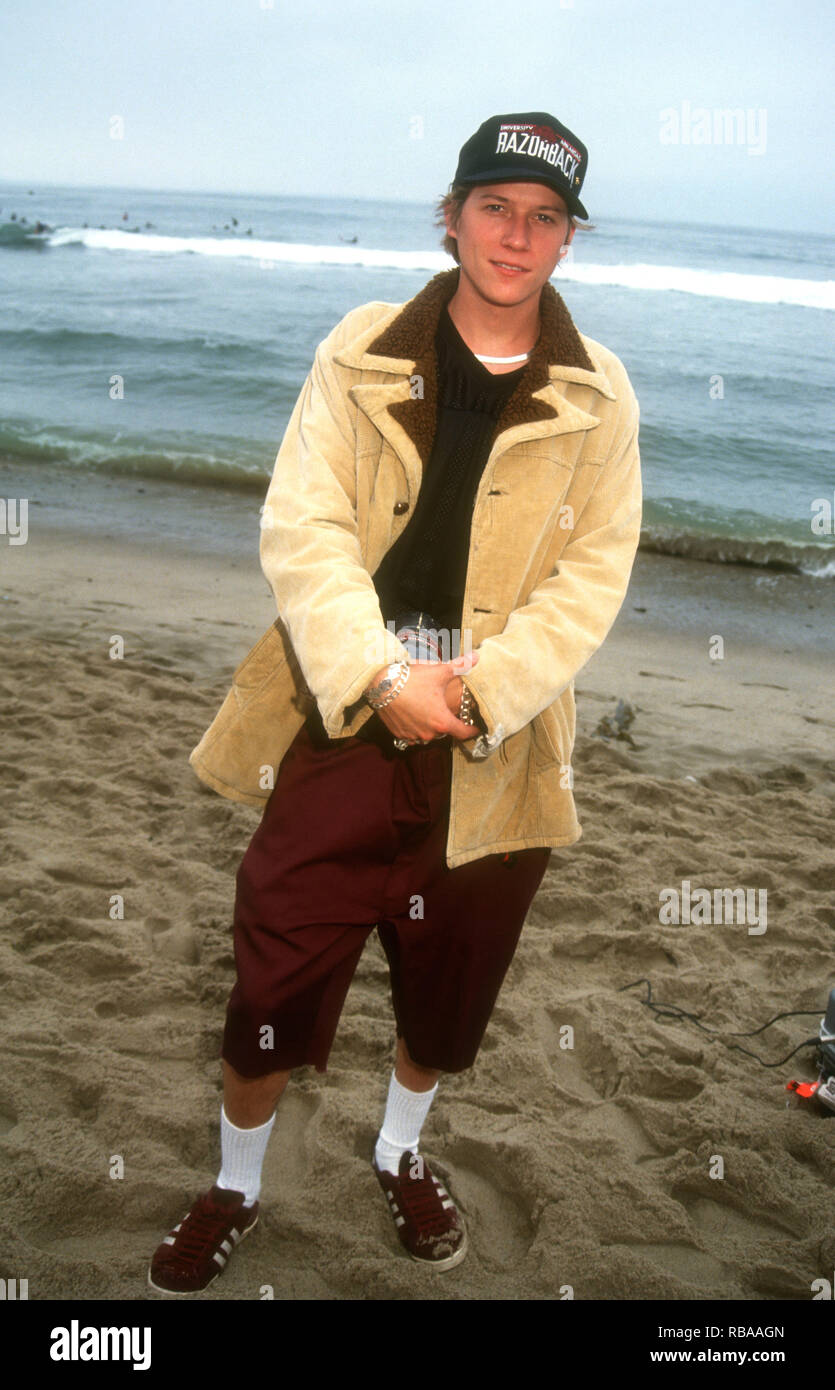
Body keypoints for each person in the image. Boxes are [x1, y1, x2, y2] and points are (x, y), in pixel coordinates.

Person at [148, 111, 642, 1293]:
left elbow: (596, 571)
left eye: (544, 218)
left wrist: (481, 690)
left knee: (448, 986)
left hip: (497, 742)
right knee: (271, 971)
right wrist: (380, 673)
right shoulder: (364, 349)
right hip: (348, 715)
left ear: (568, 241)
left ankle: (399, 1150)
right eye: (495, 207)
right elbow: (302, 523)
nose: (516, 237)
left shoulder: (599, 393)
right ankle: (236, 1182)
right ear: (452, 212)